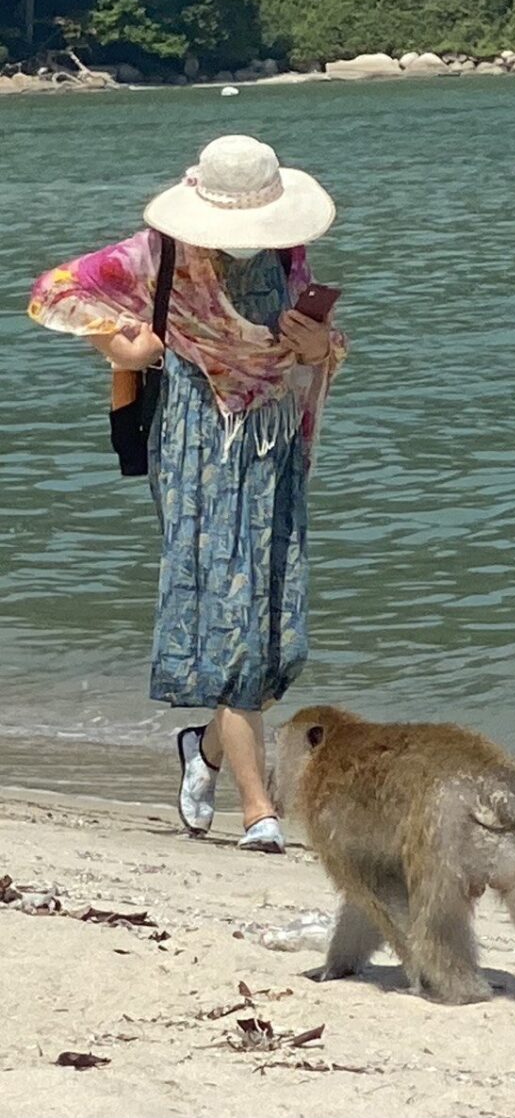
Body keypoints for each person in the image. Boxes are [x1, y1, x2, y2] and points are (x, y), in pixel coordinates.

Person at [28, 134, 346, 853]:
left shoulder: (289, 254)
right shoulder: (155, 253)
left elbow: (320, 347)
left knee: (268, 630)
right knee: (228, 621)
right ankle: (258, 808)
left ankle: (202, 752)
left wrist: (317, 348)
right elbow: (55, 290)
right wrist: (118, 345)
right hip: (197, 445)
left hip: (272, 448)